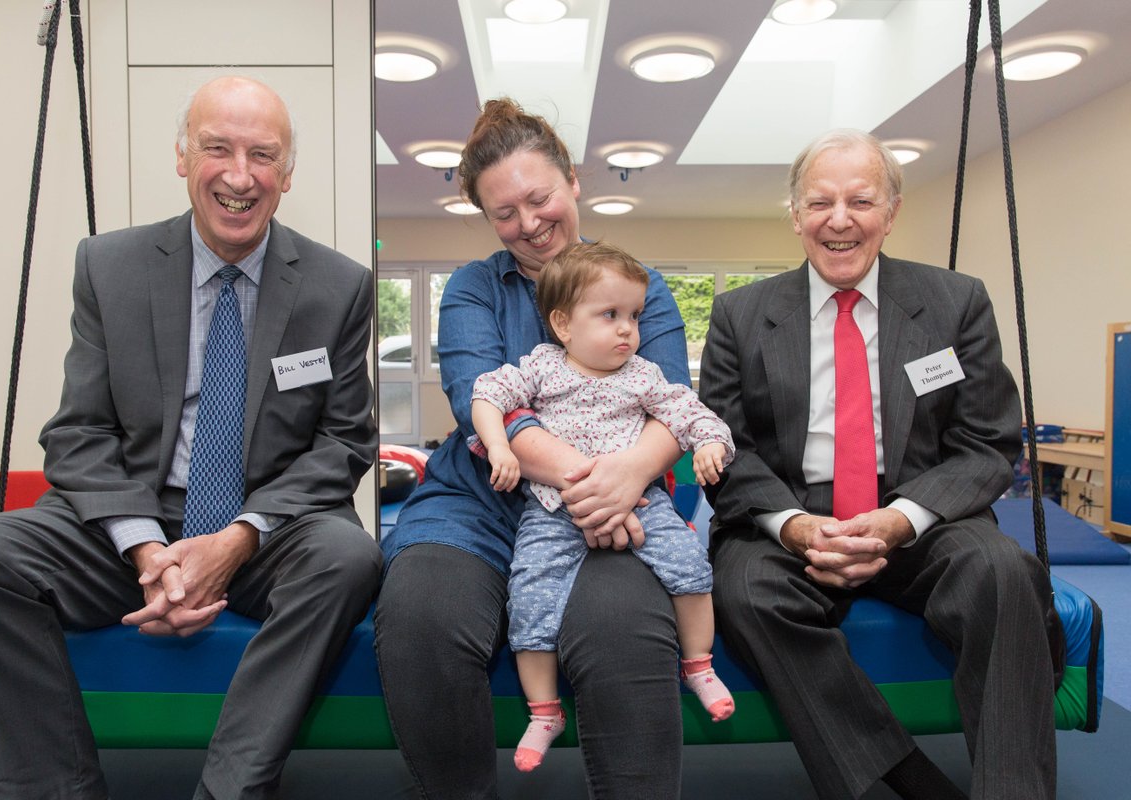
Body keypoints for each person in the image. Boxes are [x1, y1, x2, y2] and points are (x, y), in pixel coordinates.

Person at [0, 76, 380, 800]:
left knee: (349, 557)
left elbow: (342, 443)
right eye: (217, 149)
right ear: (182, 157)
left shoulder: (339, 286)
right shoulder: (109, 267)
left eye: (263, 155)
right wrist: (147, 549)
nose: (239, 175)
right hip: (127, 522)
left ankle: (229, 790)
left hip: (264, 531)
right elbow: (78, 433)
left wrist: (236, 539)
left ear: (287, 174)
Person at [699, 128, 1059, 800]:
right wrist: (795, 526)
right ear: (796, 215)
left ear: (890, 213)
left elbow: (988, 442)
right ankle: (904, 775)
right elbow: (726, 447)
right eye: (820, 202)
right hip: (791, 516)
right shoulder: (740, 316)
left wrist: (897, 520)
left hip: (920, 516)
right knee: (744, 591)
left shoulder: (956, 303)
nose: (839, 220)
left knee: (1006, 574)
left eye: (860, 201)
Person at [375, 99, 693, 799]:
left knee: (624, 631)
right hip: (482, 503)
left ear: (573, 181)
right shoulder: (472, 290)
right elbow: (484, 405)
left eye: (539, 198)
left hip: (613, 501)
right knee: (419, 619)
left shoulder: (644, 290)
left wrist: (625, 480)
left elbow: (672, 409)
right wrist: (596, 485)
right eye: (504, 213)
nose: (528, 225)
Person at [471, 241, 735, 772]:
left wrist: (709, 443)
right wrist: (499, 446)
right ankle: (544, 711)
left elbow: (691, 412)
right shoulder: (541, 366)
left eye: (634, 316)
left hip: (641, 501)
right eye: (610, 315)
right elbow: (486, 394)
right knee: (529, 598)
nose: (627, 330)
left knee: (690, 566)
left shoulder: (642, 375)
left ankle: (699, 665)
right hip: (553, 511)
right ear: (563, 325)